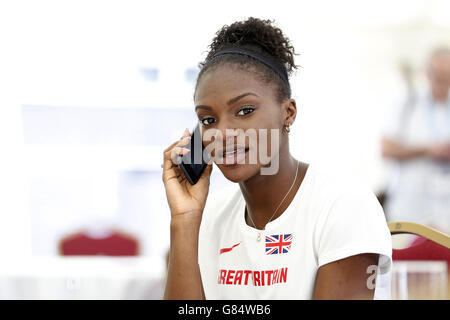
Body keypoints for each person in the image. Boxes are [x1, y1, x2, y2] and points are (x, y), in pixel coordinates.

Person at [162, 17, 392, 300]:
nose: (222, 133)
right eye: (208, 119)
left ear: (288, 112)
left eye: (245, 111)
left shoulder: (343, 205)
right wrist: (185, 220)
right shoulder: (210, 216)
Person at [381, 47, 450, 234]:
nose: (444, 84)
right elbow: (386, 149)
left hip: (446, 214)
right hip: (410, 211)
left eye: (448, 78)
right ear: (428, 73)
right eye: (440, 77)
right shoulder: (406, 102)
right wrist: (427, 151)